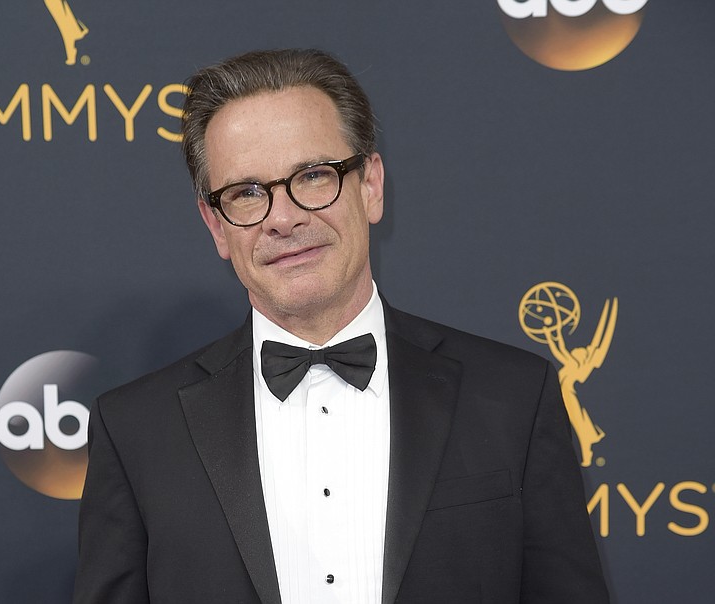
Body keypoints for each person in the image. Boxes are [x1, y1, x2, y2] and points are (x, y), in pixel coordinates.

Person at [74, 48, 609, 604]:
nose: (283, 218)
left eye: (312, 176)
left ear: (371, 186)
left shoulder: (514, 397)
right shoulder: (136, 430)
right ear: (215, 224)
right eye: (247, 193)